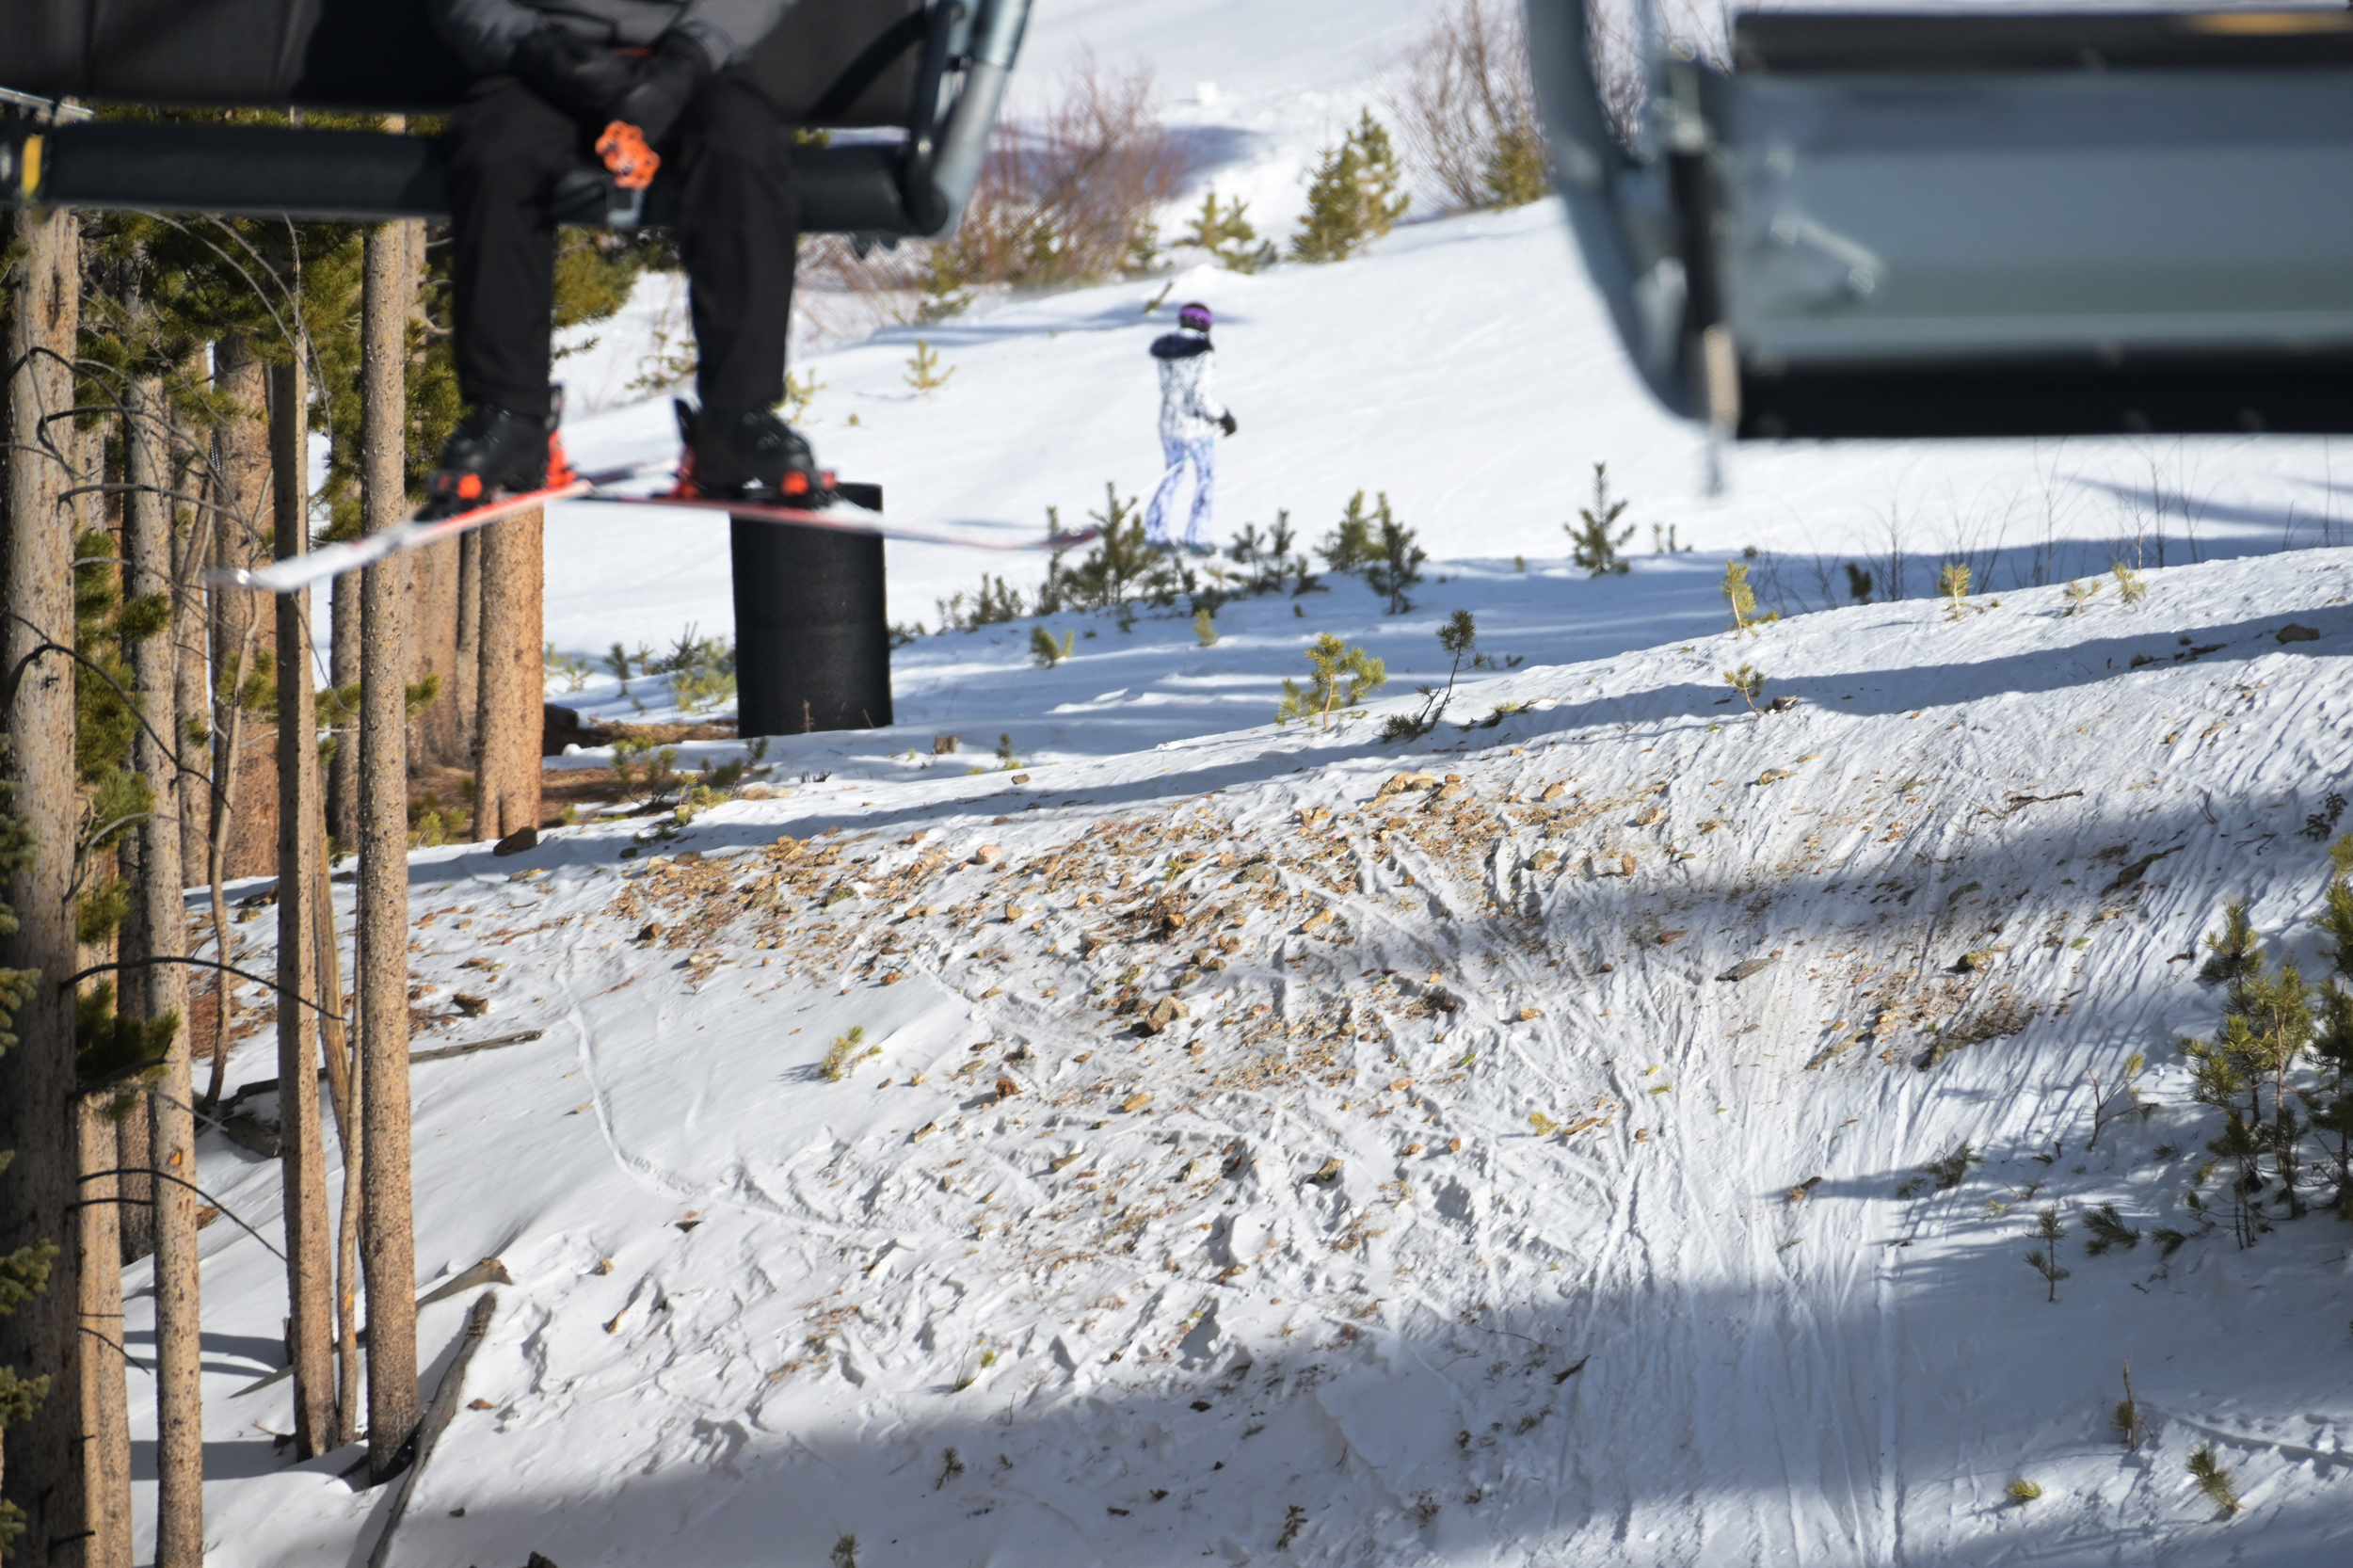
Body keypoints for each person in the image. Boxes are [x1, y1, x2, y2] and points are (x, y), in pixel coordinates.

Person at [421, 0, 818, 515]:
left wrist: (689, 59)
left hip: (690, 69)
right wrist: (535, 47)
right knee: (496, 151)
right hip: (540, 68)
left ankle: (736, 418)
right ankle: (513, 416)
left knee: (742, 148)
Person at [1144, 301, 1236, 555]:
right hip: (1196, 429)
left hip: (1169, 424)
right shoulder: (1202, 352)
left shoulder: (1167, 350)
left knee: (1170, 477)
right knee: (1205, 479)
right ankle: (1198, 537)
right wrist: (1224, 416)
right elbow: (1200, 396)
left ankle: (1154, 533)